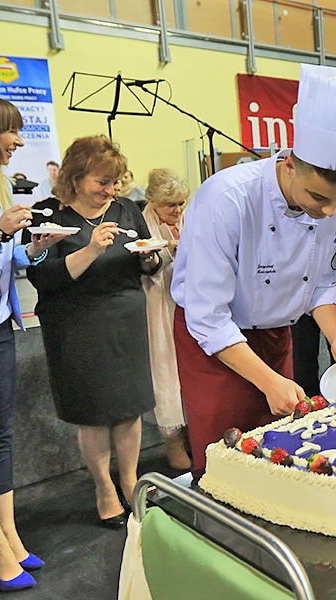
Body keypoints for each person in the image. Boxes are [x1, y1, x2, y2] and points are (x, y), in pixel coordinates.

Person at [171, 65, 336, 471]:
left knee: (276, 455)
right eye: (319, 197)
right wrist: (268, 381)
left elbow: (320, 285)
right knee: (225, 460)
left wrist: (335, 338)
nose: (329, 211)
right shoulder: (226, 200)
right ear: (290, 163)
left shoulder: (329, 206)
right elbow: (207, 318)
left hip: (277, 339)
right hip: (216, 348)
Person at [27, 135, 162, 531]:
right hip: (76, 324)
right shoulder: (48, 214)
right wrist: (91, 249)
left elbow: (144, 264)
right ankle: (104, 488)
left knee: (129, 407)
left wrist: (151, 257)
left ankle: (131, 480)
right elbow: (43, 277)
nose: (111, 190)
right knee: (94, 414)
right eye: (102, 182)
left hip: (125, 318)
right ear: (75, 176)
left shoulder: (125, 209)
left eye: (116, 181)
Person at [0, 95, 66, 591]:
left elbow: (9, 263)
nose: (20, 141)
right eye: (11, 131)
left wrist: (34, 249)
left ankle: (11, 537)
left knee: (1, 437)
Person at [140, 168, 191, 470]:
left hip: (186, 303)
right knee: (165, 370)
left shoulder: (188, 220)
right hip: (155, 304)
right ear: (153, 201)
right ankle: (172, 440)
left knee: (188, 367)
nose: (177, 210)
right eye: (170, 204)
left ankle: (193, 434)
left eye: (182, 203)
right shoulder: (140, 223)